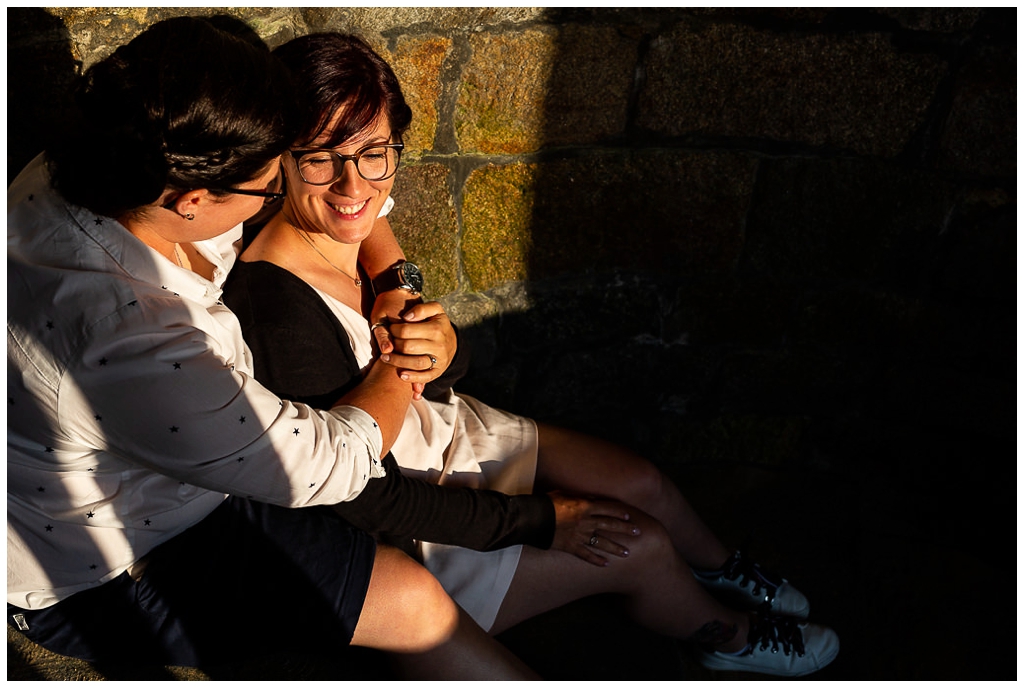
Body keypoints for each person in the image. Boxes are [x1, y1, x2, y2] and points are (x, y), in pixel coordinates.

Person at [222, 31, 841, 677]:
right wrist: (544, 520)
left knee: (642, 483)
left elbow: (375, 225)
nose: (353, 182)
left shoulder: (346, 212)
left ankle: (723, 570)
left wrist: (405, 295)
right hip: (419, 528)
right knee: (641, 547)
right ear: (280, 159)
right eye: (320, 157)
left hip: (442, 437)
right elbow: (363, 499)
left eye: (374, 153)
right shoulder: (278, 312)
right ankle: (729, 637)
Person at [6, 16, 538, 680]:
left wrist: (396, 282)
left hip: (156, 471)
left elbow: (362, 204)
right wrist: (396, 361)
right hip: (114, 562)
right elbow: (330, 462)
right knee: (414, 604)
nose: (286, 190)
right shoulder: (138, 338)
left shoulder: (107, 161)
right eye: (271, 184)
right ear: (195, 198)